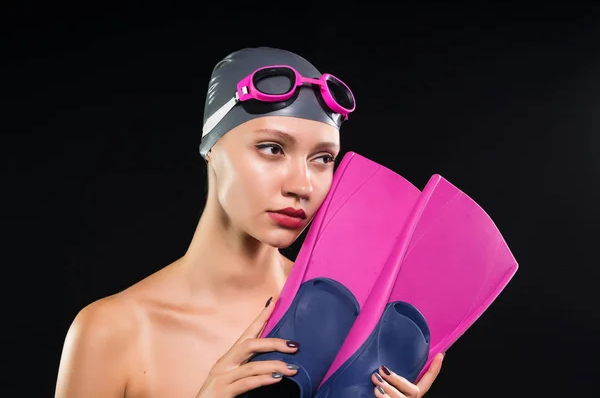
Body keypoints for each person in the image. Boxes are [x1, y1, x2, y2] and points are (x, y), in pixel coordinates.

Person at [55, 47, 444, 398]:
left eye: (323, 158)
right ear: (211, 148)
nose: (302, 185)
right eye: (272, 149)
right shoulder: (112, 332)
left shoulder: (351, 322)